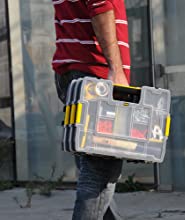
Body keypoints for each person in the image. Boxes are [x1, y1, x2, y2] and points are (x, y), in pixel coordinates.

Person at [52, 0, 131, 219]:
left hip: (73, 75)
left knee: (95, 170)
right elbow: (101, 7)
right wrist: (116, 70)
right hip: (95, 77)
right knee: (100, 174)